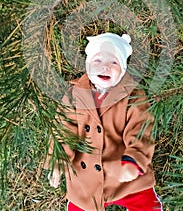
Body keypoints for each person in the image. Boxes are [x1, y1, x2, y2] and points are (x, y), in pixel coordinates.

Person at [44, 33, 163, 211]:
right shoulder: (74, 95)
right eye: (97, 60)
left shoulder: (132, 95)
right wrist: (58, 159)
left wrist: (134, 159)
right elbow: (64, 129)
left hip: (125, 174)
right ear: (87, 64)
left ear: (123, 69)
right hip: (86, 180)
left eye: (114, 62)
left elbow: (141, 129)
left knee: (147, 205)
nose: (105, 67)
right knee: (79, 204)